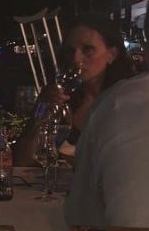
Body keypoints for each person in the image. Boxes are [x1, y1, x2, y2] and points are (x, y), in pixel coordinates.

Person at [65, 0, 149, 228]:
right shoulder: (100, 100)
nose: (76, 60)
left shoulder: (116, 103)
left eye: (87, 50)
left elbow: (81, 217)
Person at [14, 13, 134, 166]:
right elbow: (23, 161)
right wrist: (41, 109)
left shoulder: (127, 100)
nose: (76, 59)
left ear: (111, 55)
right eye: (70, 51)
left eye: (87, 49)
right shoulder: (63, 101)